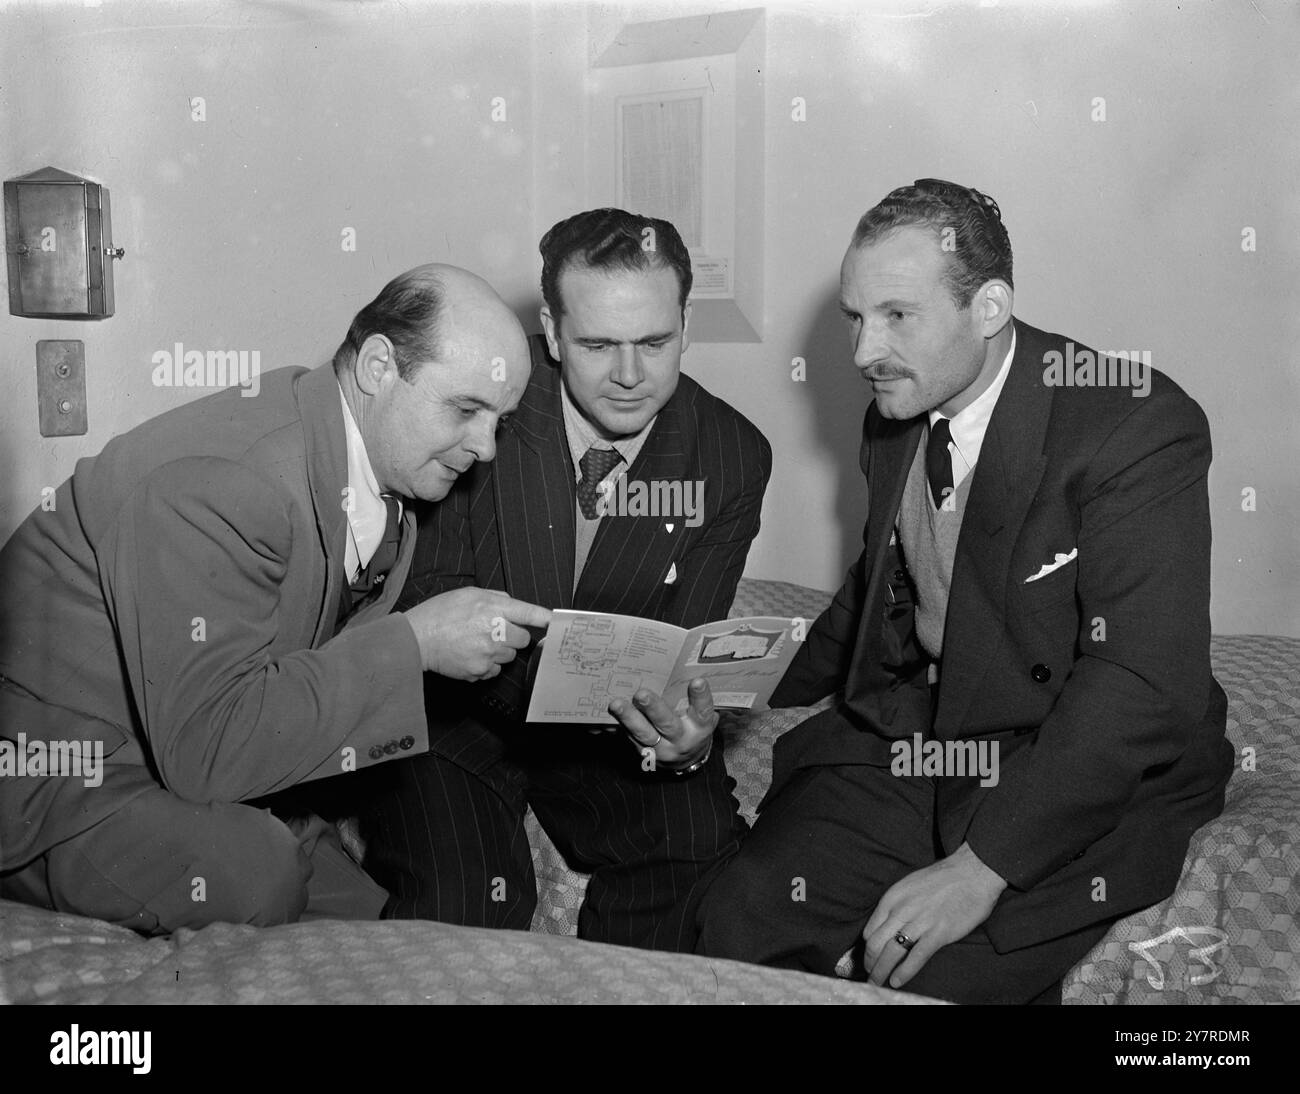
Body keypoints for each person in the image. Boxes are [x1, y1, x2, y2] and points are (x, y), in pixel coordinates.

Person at [615, 179, 1233, 1003]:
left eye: (897, 316)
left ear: (988, 308)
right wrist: (714, 680)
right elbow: (883, 594)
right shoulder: (897, 414)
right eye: (854, 317)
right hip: (929, 735)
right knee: (741, 917)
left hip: (1078, 760)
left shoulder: (1135, 424)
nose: (865, 350)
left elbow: (1140, 686)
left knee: (935, 972)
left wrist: (981, 869)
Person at [0, 264, 550, 934]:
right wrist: (415, 647)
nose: (485, 447)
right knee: (258, 877)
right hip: (56, 780)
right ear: (378, 365)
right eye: (465, 409)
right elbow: (206, 750)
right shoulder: (227, 479)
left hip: (171, 763)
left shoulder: (384, 485)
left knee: (381, 929)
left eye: (500, 420)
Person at [359, 208, 772, 951]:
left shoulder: (734, 454)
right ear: (549, 332)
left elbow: (685, 646)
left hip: (614, 736)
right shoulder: (481, 397)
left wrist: (689, 741)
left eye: (655, 342)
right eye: (595, 344)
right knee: (465, 906)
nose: (628, 375)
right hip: (458, 717)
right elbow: (420, 588)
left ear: (687, 325)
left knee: (705, 863)